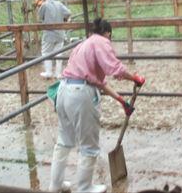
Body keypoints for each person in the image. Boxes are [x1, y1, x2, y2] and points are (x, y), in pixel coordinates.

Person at [48, 18, 145, 193]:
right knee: (89, 145)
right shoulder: (101, 42)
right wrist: (135, 78)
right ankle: (84, 187)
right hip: (80, 94)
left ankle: (55, 186)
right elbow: (115, 69)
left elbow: (99, 83)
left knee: (63, 142)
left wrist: (121, 101)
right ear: (108, 33)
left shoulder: (83, 45)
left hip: (64, 90)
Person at [37, 0, 71, 79]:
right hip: (60, 33)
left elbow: (40, 17)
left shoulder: (44, 5)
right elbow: (68, 13)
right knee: (59, 53)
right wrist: (64, 19)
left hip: (49, 33)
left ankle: (48, 72)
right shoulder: (58, 3)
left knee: (46, 52)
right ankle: (58, 73)